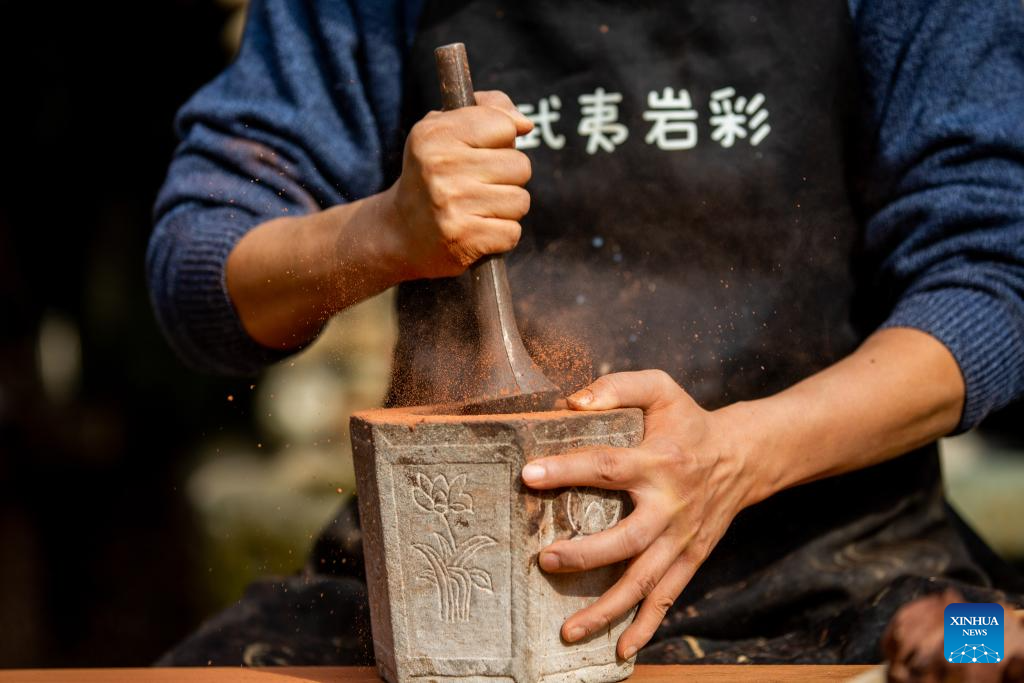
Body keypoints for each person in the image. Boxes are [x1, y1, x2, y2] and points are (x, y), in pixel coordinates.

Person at [148, 0, 1024, 666]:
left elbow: (997, 278)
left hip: (849, 566)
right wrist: (379, 236)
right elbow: (200, 275)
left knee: (989, 649)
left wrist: (733, 456)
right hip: (445, 588)